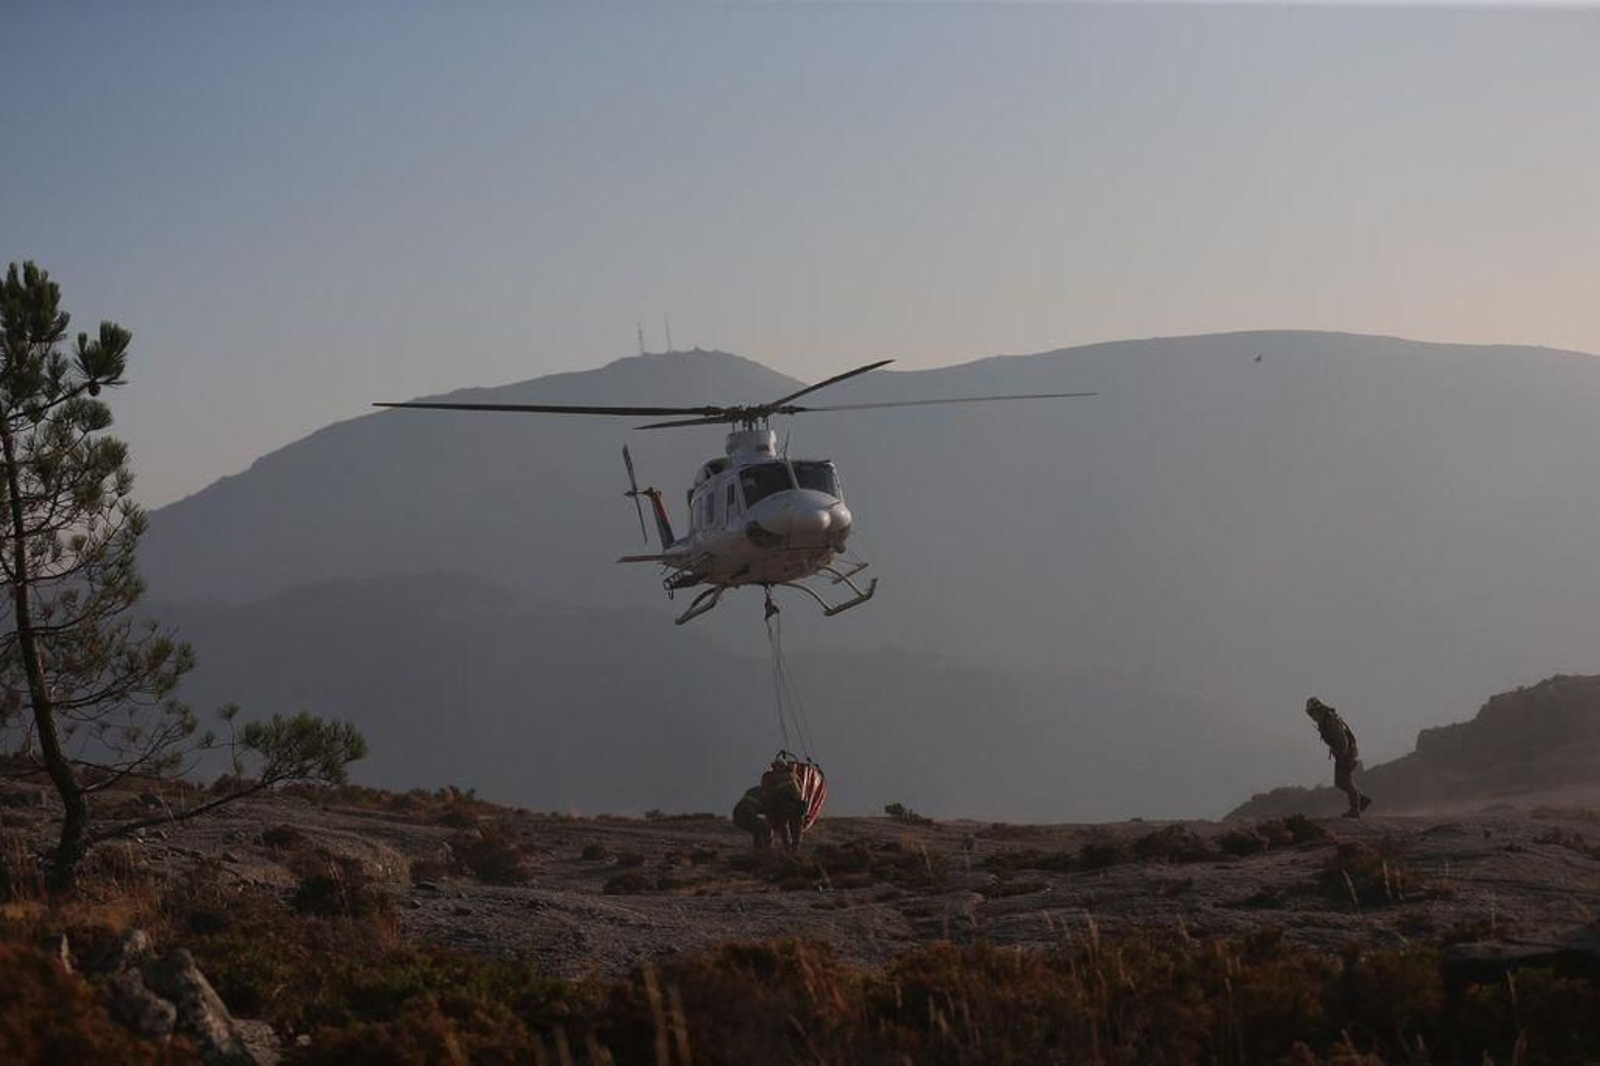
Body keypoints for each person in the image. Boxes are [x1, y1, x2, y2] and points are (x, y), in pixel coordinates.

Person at [1305, 696, 1372, 818]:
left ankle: (1356, 809)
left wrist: (1342, 756)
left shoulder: (1329, 721)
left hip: (1346, 753)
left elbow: (1342, 740)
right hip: (1343, 753)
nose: (1312, 717)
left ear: (1317, 710)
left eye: (1312, 713)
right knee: (1340, 782)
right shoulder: (1325, 720)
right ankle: (1360, 801)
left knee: (1344, 781)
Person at [759, 759, 808, 850]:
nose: (779, 767)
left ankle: (794, 846)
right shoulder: (772, 776)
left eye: (780, 765)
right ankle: (788, 846)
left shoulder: (792, 775)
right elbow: (767, 792)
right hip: (783, 804)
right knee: (785, 825)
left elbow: (801, 789)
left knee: (795, 826)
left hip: (794, 805)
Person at [731, 784, 772, 849]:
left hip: (737, 813)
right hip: (745, 811)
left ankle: (759, 849)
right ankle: (765, 849)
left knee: (759, 828)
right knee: (765, 827)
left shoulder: (756, 790)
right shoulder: (767, 793)